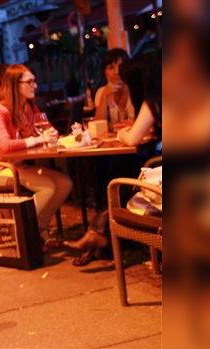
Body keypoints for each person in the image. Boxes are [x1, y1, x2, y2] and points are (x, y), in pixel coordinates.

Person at [64, 52, 163, 265]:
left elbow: (132, 139)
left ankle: (100, 234)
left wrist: (122, 133)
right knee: (119, 167)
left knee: (118, 170)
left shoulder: (154, 100)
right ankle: (102, 234)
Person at [0, 64, 72, 245]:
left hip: (19, 166)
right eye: (30, 82)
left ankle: (36, 228)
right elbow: (5, 145)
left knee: (65, 183)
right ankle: (23, 231)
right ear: (15, 85)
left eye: (34, 81)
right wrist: (38, 140)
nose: (35, 86)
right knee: (48, 187)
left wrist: (50, 133)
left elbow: (48, 127)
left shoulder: (30, 107)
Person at [93, 49, 134, 131]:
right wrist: (104, 97)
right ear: (105, 72)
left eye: (121, 66)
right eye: (111, 68)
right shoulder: (101, 92)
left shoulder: (137, 88)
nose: (117, 72)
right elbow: (98, 127)